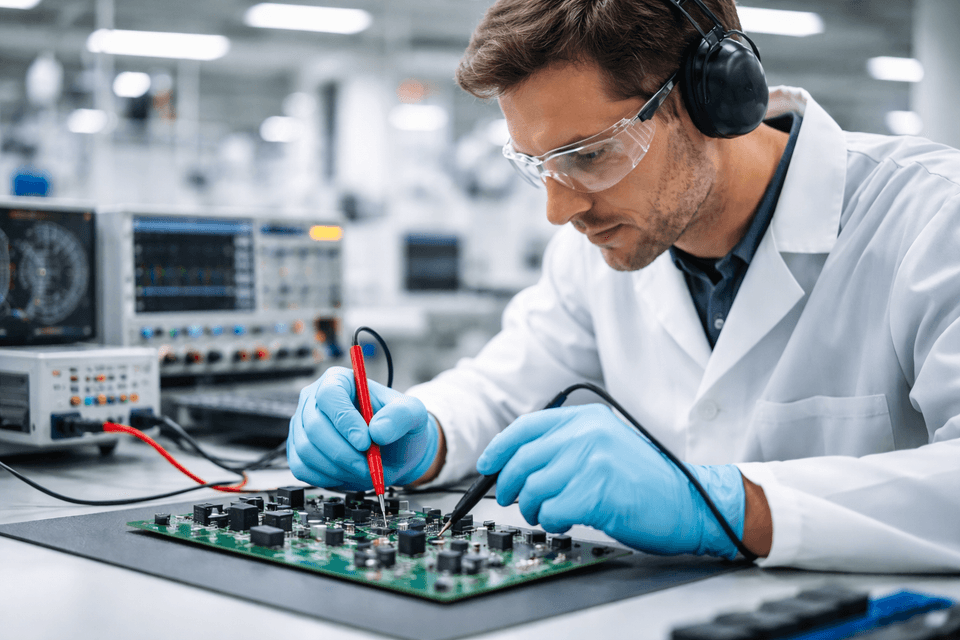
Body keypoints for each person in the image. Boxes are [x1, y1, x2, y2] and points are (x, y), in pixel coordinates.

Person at [287, 0, 960, 572]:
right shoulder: (597, 249)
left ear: (711, 98)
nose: (559, 209)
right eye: (540, 165)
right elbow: (501, 390)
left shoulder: (931, 218)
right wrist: (423, 433)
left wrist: (726, 505)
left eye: (588, 155)